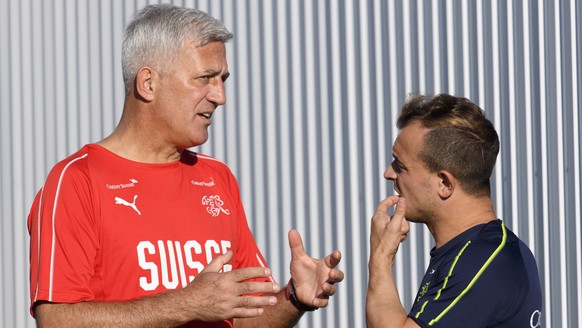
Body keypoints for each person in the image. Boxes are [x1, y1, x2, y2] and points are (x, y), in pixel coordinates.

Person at [27, 4, 343, 327]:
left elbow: (249, 318)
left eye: (223, 79)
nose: (220, 96)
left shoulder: (217, 178)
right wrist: (186, 304)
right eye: (205, 78)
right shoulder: (77, 180)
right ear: (147, 83)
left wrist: (293, 298)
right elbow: (55, 320)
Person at [366, 94, 542, 328]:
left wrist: (381, 257)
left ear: (444, 184)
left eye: (401, 165)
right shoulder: (482, 251)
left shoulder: (480, 263)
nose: (388, 173)